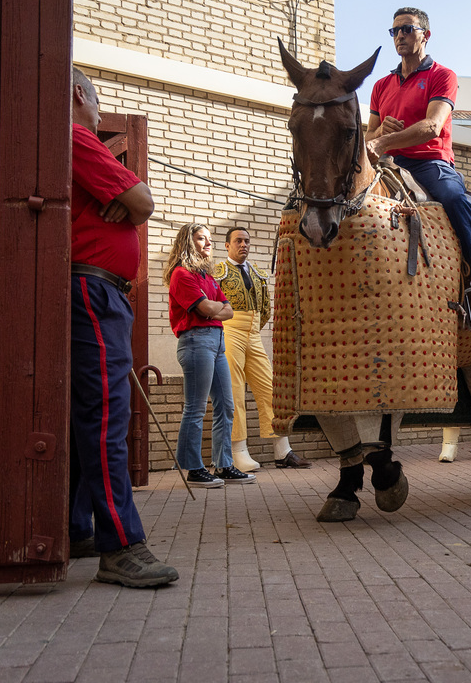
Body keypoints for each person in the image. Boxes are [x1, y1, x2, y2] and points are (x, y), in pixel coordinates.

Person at [69, 67, 178, 587]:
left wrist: (127, 198)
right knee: (106, 416)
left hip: (96, 290)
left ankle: (78, 527)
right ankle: (121, 544)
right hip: (93, 290)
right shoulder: (75, 136)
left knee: (86, 416)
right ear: (78, 95)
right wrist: (130, 196)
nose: (96, 110)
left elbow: (135, 203)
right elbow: (145, 203)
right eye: (96, 99)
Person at [365, 7, 471, 324]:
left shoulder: (442, 75)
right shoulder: (380, 86)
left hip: (431, 162)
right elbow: (370, 135)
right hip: (389, 162)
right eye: (394, 31)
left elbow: (432, 126)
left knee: (456, 200)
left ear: (425, 35)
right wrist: (381, 133)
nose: (399, 35)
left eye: (407, 29)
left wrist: (383, 141)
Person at [162, 223, 254, 488]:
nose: (208, 243)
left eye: (210, 239)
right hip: (195, 342)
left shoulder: (208, 278)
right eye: (202, 239)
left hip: (217, 343)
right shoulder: (182, 275)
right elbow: (205, 308)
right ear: (188, 243)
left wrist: (213, 308)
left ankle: (224, 465)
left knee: (226, 405)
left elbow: (229, 311)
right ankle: (193, 469)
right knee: (196, 407)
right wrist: (214, 308)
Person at [214, 226, 311, 470]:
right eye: (238, 241)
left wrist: (253, 326)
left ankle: (282, 451)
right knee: (234, 392)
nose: (243, 245)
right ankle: (238, 451)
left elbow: (266, 309)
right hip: (229, 331)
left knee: (270, 389)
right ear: (227, 245)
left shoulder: (257, 272)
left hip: (254, 333)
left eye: (246, 240)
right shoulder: (219, 271)